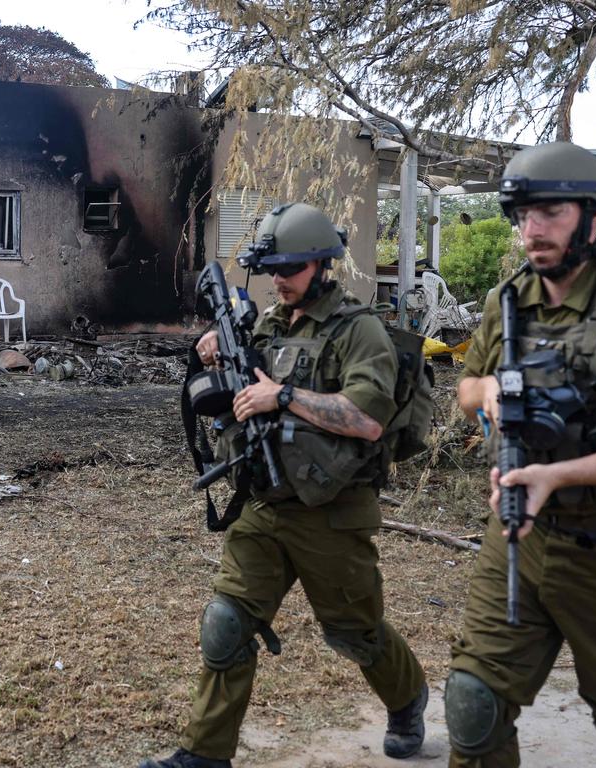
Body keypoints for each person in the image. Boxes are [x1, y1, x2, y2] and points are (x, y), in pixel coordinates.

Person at [140, 202, 428, 768]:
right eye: (272, 270)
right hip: (265, 502)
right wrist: (211, 353)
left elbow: (367, 418)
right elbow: (242, 392)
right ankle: (204, 755)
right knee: (226, 624)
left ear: (322, 264)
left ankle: (408, 697)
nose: (279, 281)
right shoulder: (269, 324)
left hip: (332, 511)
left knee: (357, 634)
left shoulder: (358, 330)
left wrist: (286, 396)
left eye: (290, 270)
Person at [448, 141, 596, 767]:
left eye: (550, 212)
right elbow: (467, 385)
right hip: (520, 541)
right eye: (522, 215)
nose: (532, 230)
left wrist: (560, 473)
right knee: (473, 703)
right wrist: (493, 396)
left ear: (594, 215)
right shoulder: (512, 297)